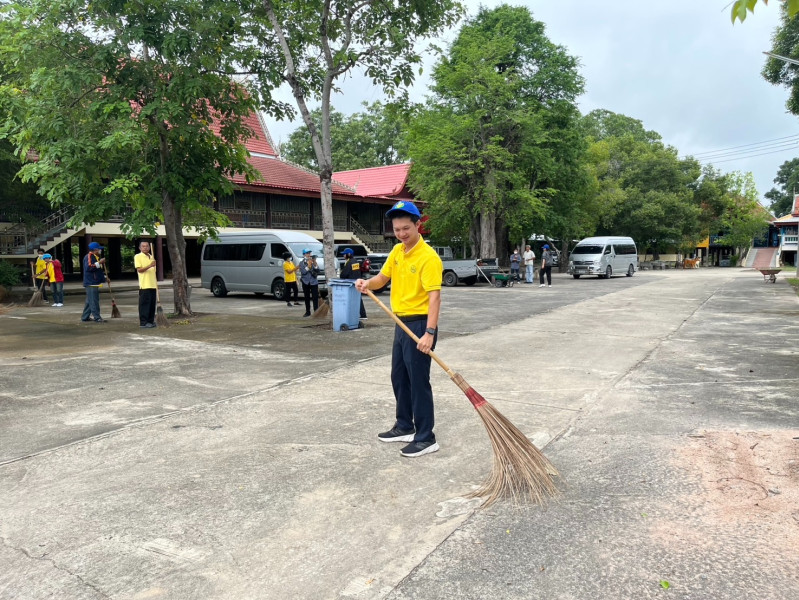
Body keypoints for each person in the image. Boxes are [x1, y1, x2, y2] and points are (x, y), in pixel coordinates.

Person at [355, 200, 443, 458]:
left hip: (420, 324)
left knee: (418, 382)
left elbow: (435, 297)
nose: (402, 234)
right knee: (399, 377)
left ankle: (426, 437)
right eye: (397, 229)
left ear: (418, 225)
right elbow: (382, 278)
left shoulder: (428, 257)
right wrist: (367, 283)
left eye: (406, 228)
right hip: (401, 322)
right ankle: (404, 425)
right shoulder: (396, 251)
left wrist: (429, 333)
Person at [134, 241, 157, 328]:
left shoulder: (151, 256)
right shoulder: (138, 256)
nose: (145, 248)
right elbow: (139, 270)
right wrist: (150, 265)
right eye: (143, 246)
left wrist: (152, 264)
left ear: (149, 247)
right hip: (145, 285)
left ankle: (150, 321)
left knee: (152, 304)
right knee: (144, 305)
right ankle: (143, 323)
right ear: (140, 248)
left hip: (153, 284)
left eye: (147, 246)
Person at [339, 247, 367, 319]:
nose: (343, 256)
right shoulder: (355, 261)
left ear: (348, 254)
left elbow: (344, 274)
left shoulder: (349, 262)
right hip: (356, 282)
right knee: (358, 299)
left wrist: (341, 275)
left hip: (351, 283)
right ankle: (363, 314)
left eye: (344, 254)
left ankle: (361, 314)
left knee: (354, 299)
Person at [81, 241, 106, 322]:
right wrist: (99, 262)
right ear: (95, 249)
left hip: (94, 282)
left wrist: (104, 278)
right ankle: (97, 317)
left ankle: (85, 317)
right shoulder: (89, 256)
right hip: (91, 282)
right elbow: (89, 267)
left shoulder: (95, 257)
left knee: (89, 301)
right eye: (99, 249)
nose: (100, 251)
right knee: (94, 301)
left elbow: (97, 271)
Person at [299, 249, 319, 317]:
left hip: (313, 281)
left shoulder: (313, 261)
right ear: (304, 254)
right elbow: (303, 272)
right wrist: (308, 266)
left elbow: (317, 270)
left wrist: (315, 263)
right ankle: (308, 312)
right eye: (307, 253)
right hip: (305, 282)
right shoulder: (301, 263)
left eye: (309, 253)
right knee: (306, 297)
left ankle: (316, 311)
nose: (309, 254)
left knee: (315, 297)